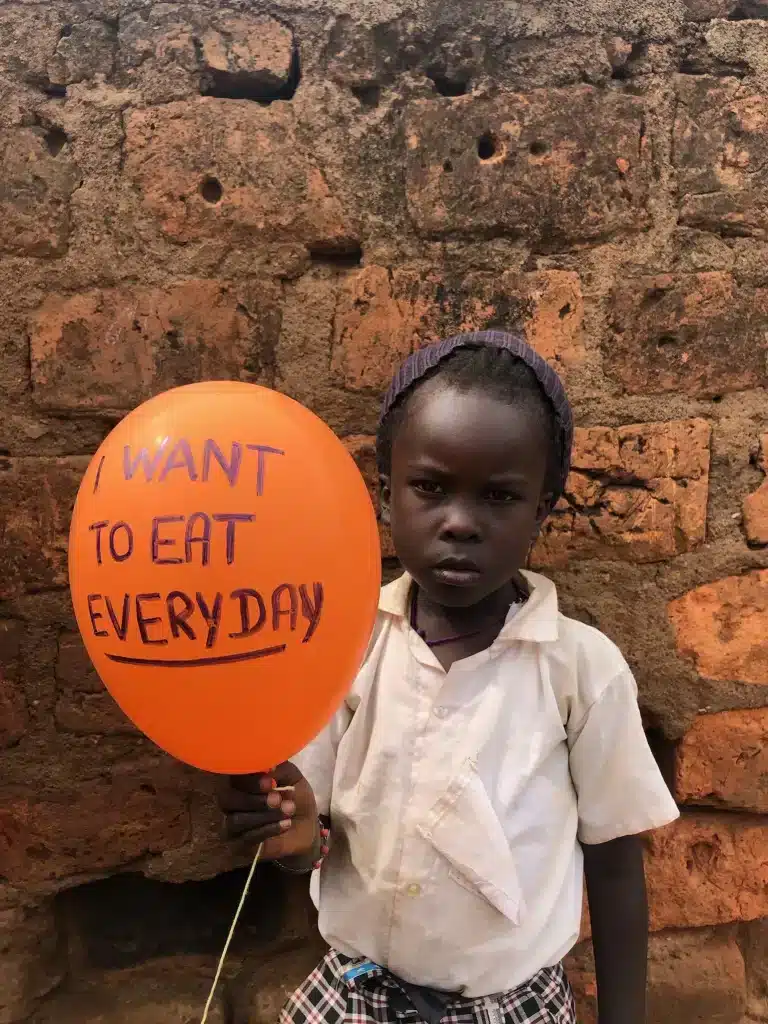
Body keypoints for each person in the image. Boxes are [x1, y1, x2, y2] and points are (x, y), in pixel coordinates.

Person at [219, 330, 680, 1024]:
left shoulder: (580, 671)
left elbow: (615, 867)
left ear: (542, 511)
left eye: (498, 497)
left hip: (511, 1008)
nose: (459, 522)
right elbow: (313, 839)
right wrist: (292, 838)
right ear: (386, 492)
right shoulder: (345, 646)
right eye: (430, 488)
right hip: (353, 998)